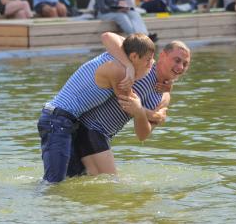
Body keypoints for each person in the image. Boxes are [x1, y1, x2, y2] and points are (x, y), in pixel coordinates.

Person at [37, 33, 156, 183]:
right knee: (53, 182)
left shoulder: (117, 55)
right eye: (148, 59)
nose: (151, 64)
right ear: (133, 56)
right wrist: (155, 115)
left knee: (73, 179)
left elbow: (110, 37)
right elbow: (129, 104)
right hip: (57, 121)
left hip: (63, 121)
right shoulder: (119, 71)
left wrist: (131, 67)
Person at [70, 32, 191, 176]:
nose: (180, 67)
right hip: (89, 128)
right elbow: (108, 37)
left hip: (101, 135)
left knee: (83, 183)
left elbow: (142, 135)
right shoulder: (143, 61)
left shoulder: (164, 97)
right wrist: (129, 66)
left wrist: (140, 112)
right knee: (110, 184)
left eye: (185, 64)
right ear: (163, 55)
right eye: (177, 60)